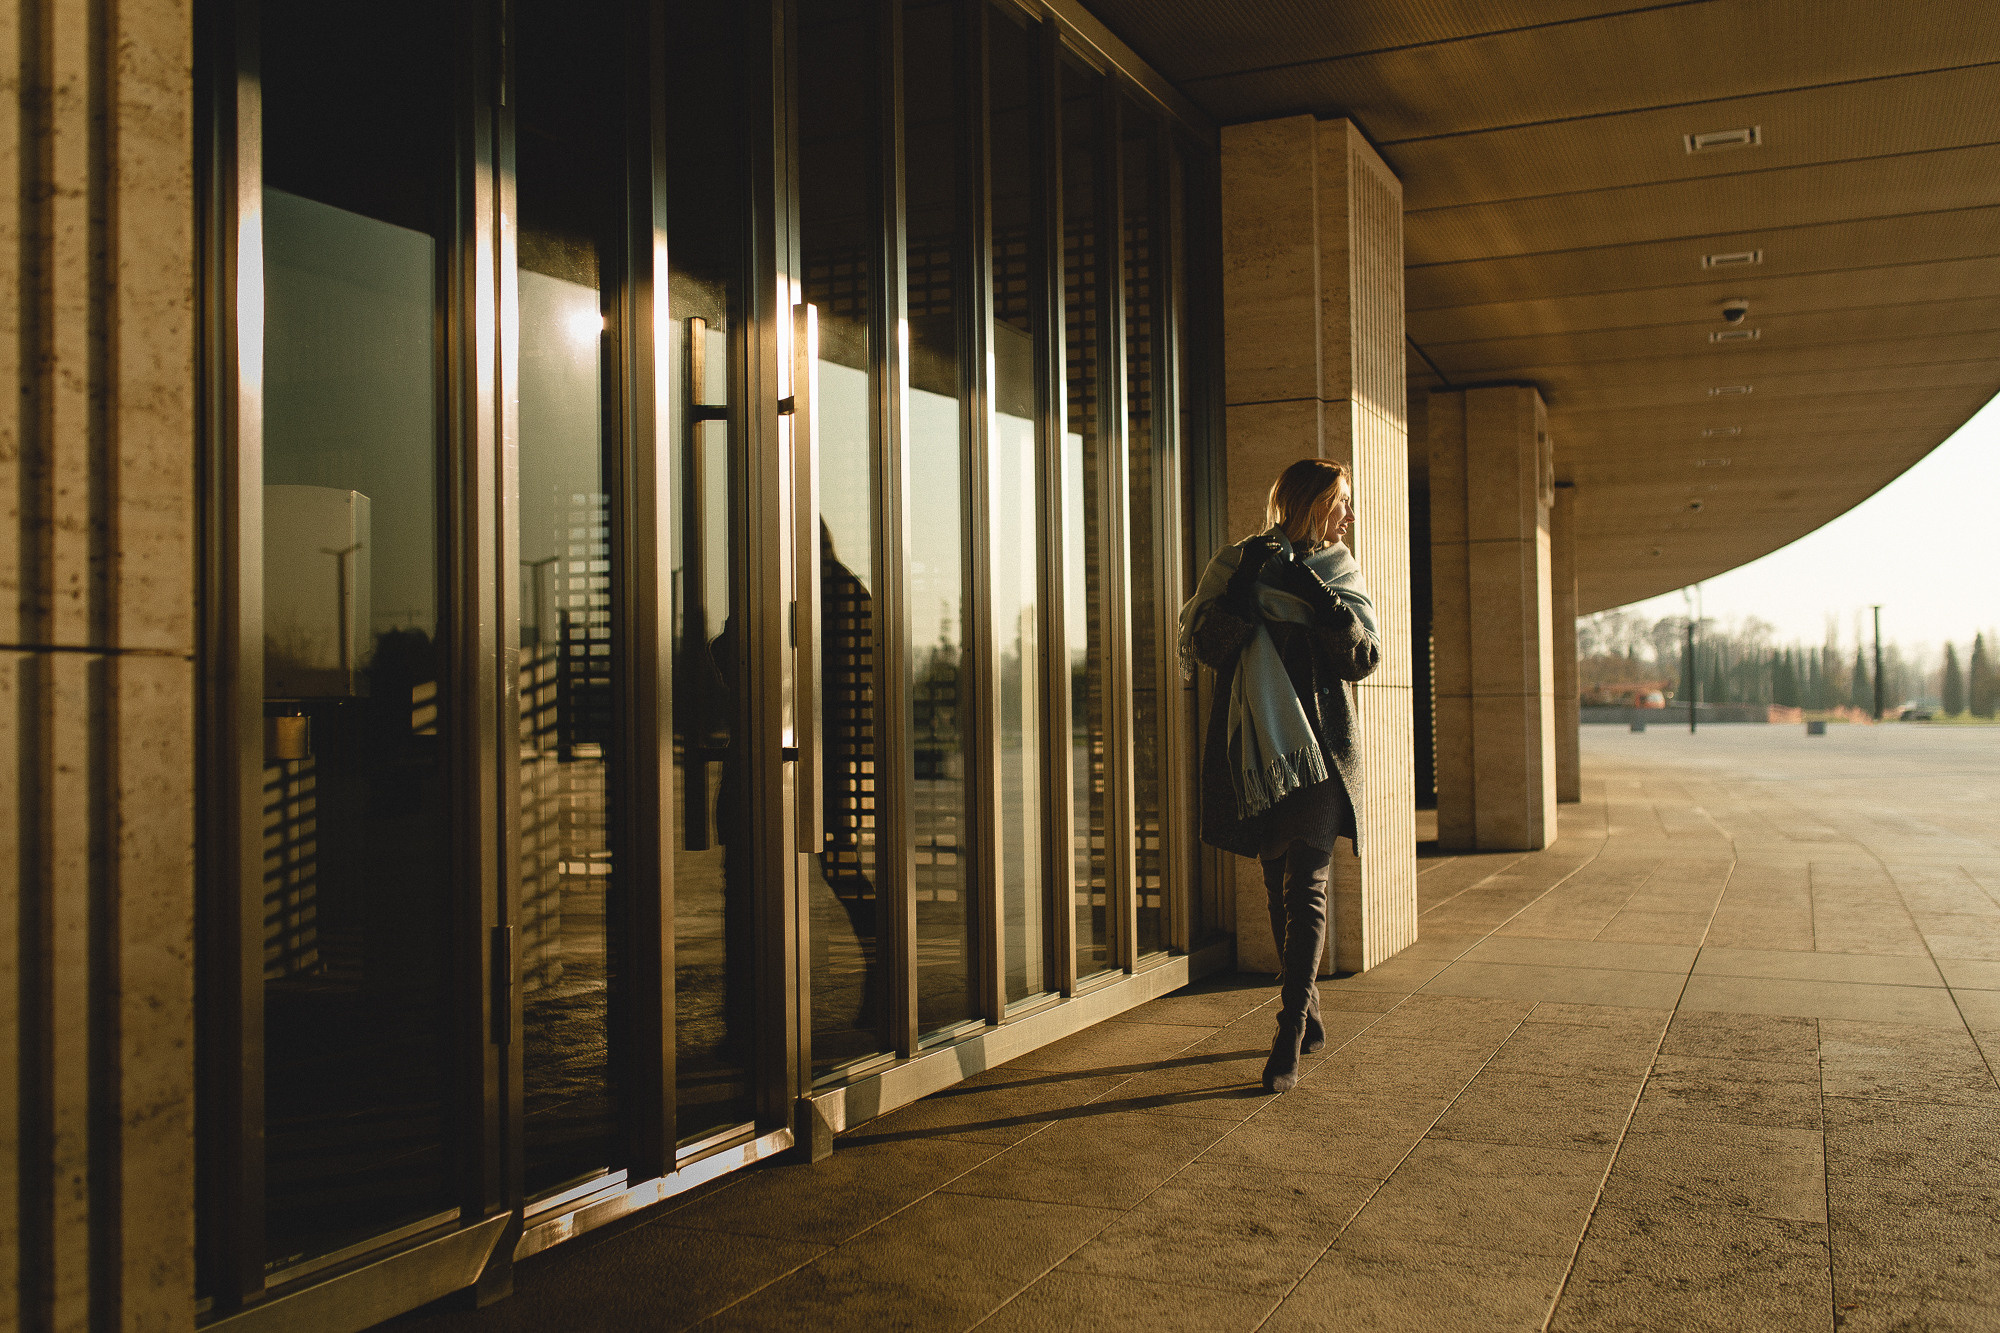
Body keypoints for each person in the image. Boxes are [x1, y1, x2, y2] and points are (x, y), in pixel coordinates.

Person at [1176, 459, 1381, 1093]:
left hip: (1320, 755)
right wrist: (1242, 597)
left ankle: (1288, 1030)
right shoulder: (1237, 563)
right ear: (1311, 504)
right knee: (1277, 886)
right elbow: (1207, 648)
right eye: (1341, 503)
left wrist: (1320, 600)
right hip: (1258, 751)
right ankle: (1309, 1010)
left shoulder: (1339, 570)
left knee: (1306, 889)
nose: (1349, 516)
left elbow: (1362, 659)